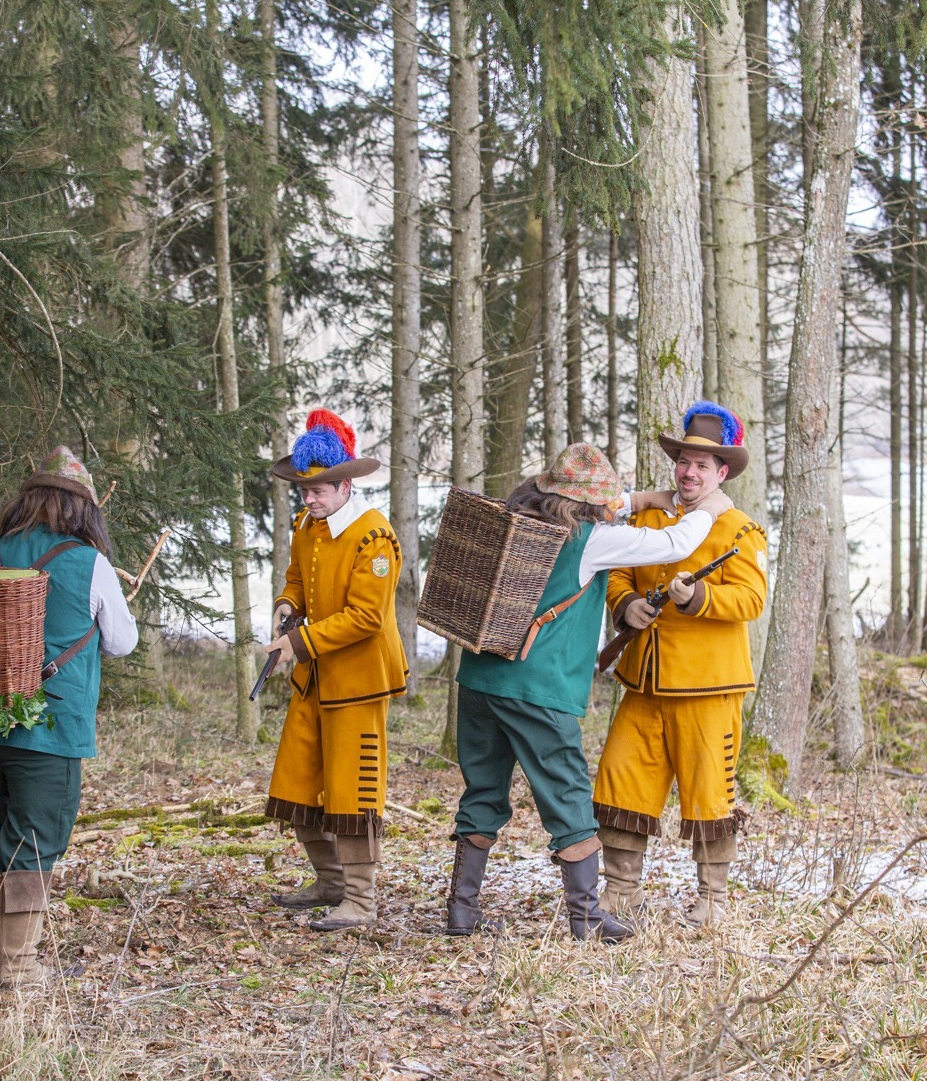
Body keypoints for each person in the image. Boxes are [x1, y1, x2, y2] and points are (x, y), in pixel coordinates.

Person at [442, 443, 728, 942]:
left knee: (483, 790)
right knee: (570, 797)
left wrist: (641, 498)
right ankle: (587, 916)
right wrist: (708, 509)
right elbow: (674, 545)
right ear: (590, 504)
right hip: (537, 686)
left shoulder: (520, 515)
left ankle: (461, 912)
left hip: (479, 681)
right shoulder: (591, 539)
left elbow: (614, 504)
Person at [0, 448, 138, 989]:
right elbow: (123, 642)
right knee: (35, 837)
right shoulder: (88, 562)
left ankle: (6, 951)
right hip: (51, 728)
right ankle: (18, 966)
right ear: (82, 510)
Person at [593, 402, 769, 924]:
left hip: (709, 686)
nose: (689, 473)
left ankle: (713, 901)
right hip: (644, 680)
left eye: (702, 465)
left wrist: (697, 600)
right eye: (684, 462)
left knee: (709, 793)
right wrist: (627, 605)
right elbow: (619, 573)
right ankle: (621, 893)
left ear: (722, 473)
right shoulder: (648, 518)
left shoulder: (742, 531)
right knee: (620, 781)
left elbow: (752, 600)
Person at [258, 409, 407, 931]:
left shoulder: (375, 537)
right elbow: (296, 577)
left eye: (319, 490)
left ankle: (361, 902)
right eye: (304, 490)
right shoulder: (308, 525)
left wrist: (297, 642)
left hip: (360, 682)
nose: (309, 499)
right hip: (313, 680)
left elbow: (367, 618)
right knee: (296, 783)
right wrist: (284, 606)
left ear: (345, 485)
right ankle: (331, 881)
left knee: (354, 788)